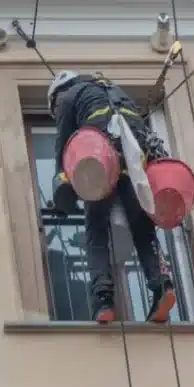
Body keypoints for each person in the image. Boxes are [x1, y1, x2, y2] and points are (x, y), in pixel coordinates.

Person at [47, 70, 176, 325]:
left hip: (100, 163)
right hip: (134, 164)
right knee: (142, 228)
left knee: (96, 231)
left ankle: (103, 299)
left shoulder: (67, 96)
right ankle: (162, 285)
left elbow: (64, 146)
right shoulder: (117, 93)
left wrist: (62, 185)